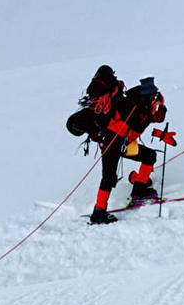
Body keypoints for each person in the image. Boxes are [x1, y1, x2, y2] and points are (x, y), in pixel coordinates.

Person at [67, 67, 172, 225]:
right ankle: (99, 212)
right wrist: (158, 112)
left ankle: (138, 189)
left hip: (118, 142)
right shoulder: (134, 108)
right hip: (114, 142)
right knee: (109, 176)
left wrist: (161, 110)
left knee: (149, 156)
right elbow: (140, 123)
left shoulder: (136, 105)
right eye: (155, 100)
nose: (156, 103)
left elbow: (152, 118)